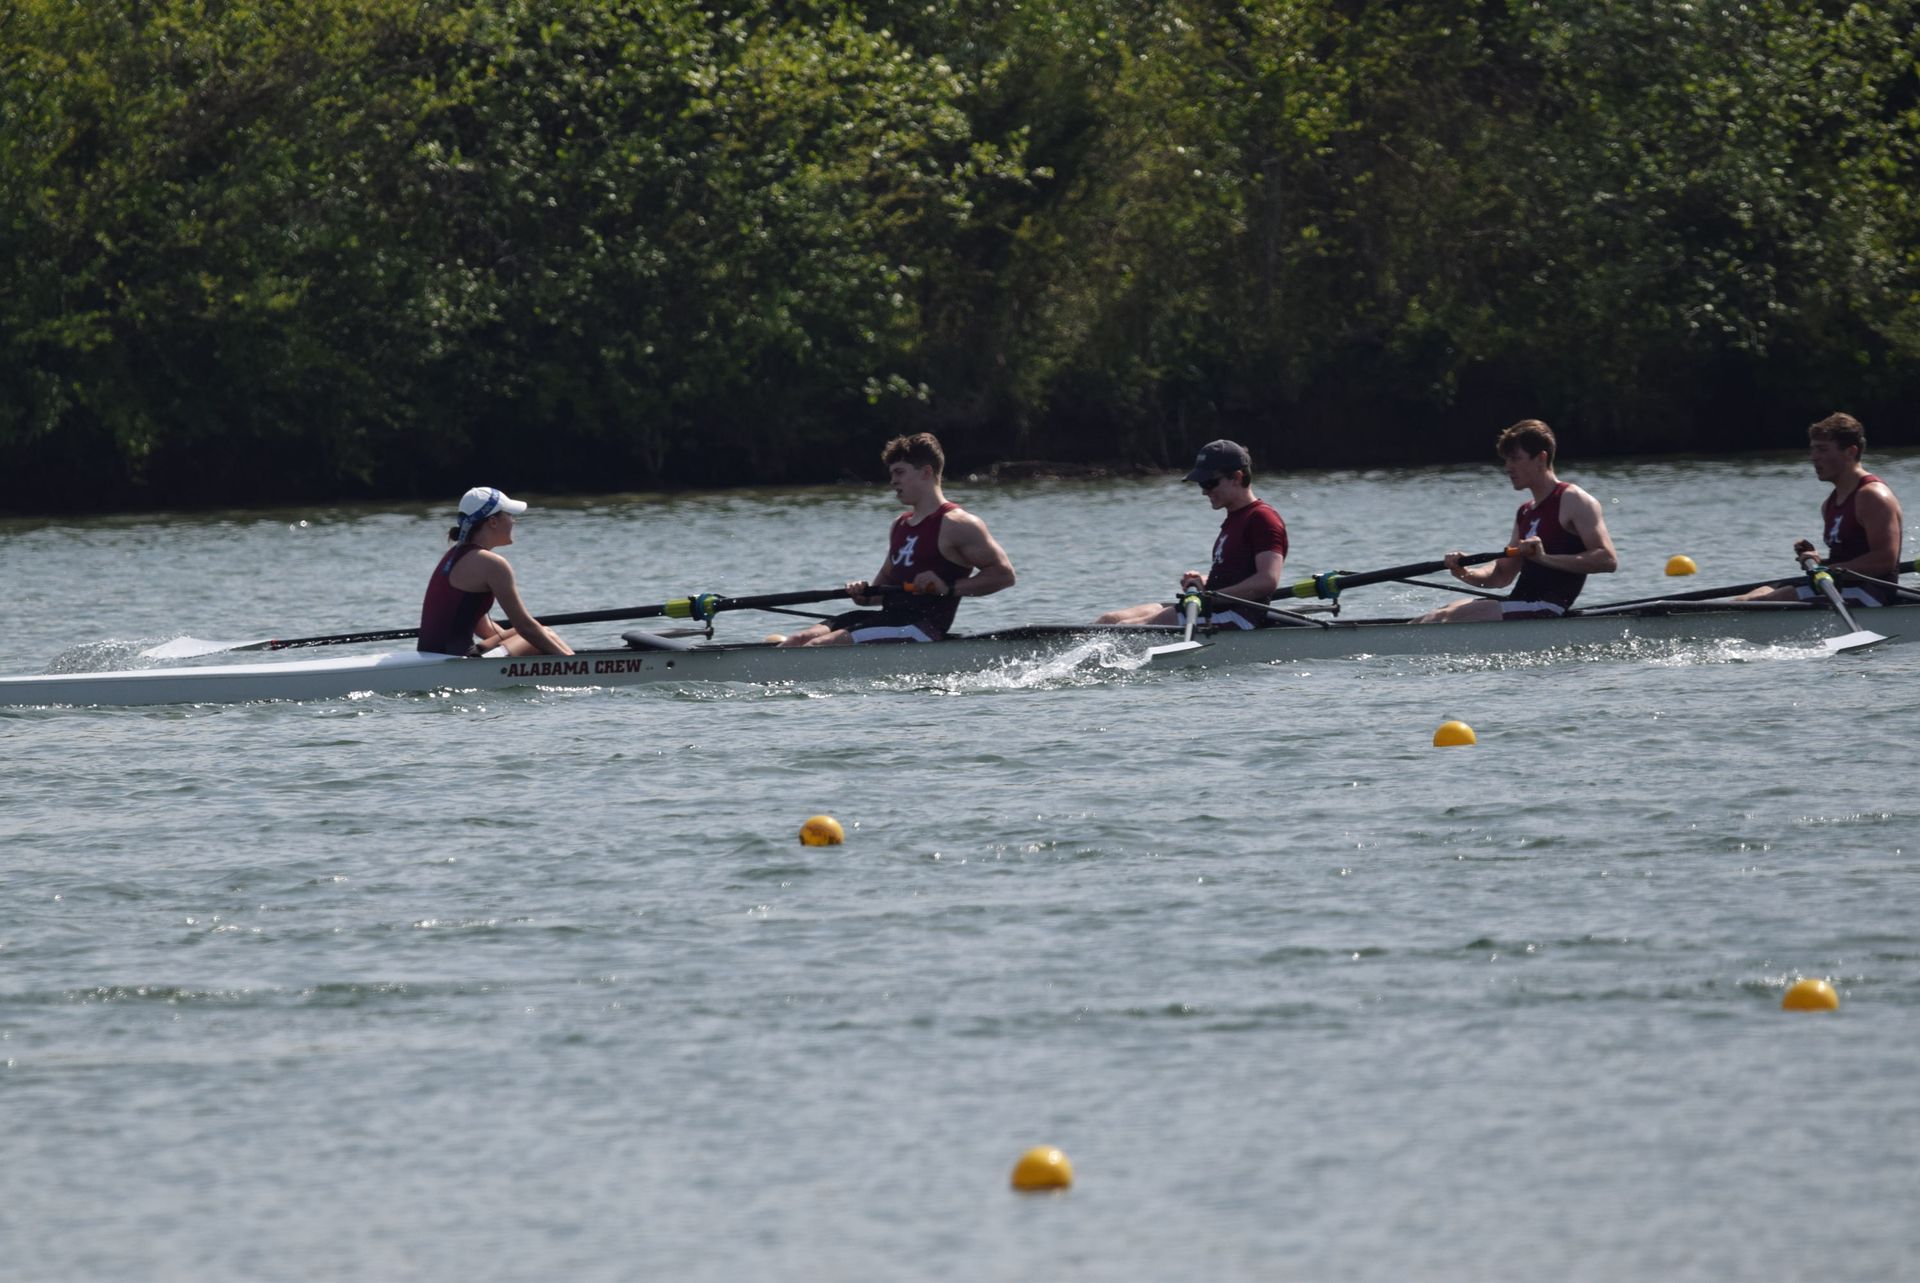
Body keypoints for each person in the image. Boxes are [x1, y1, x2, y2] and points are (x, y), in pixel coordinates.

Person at [778, 434, 1016, 646]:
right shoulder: (899, 525)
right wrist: (862, 593)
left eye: (899, 472)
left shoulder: (958, 524)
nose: (892, 481)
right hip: (889, 619)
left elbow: (1004, 575)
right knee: (799, 640)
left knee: (819, 646)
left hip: (921, 628)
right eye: (891, 473)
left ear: (926, 472)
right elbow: (878, 594)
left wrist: (949, 588)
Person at [1418, 420, 1618, 623]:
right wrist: (1464, 572)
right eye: (1506, 460)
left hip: (1545, 608)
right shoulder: (1524, 512)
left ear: (1541, 458)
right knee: (1436, 614)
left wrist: (1544, 558)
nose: (1508, 467)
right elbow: (1501, 575)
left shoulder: (1573, 499)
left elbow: (1607, 560)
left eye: (1515, 459)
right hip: (1520, 603)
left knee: (1446, 618)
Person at [1095, 439, 1288, 629]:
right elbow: (1235, 575)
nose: (1204, 492)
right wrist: (1203, 582)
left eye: (1210, 483)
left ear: (1237, 477)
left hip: (1238, 617)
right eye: (1201, 484)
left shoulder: (1263, 518)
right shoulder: (1235, 519)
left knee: (1126, 628)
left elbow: (1267, 581)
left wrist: (1210, 598)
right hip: (1214, 608)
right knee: (1110, 620)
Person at [1736, 412, 1903, 606]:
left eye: (1822, 450)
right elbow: (1847, 559)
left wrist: (1831, 569)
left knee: (1774, 599)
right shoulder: (1830, 504)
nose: (1814, 458)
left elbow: (1884, 560)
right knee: (1750, 598)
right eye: (1813, 450)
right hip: (1840, 587)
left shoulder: (1872, 496)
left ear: (1850, 452)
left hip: (1872, 595)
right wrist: (1818, 562)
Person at [418, 487, 574, 656]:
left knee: (543, 633)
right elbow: (525, 627)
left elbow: (483, 627)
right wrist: (572, 663)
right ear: (493, 521)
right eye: (509, 515)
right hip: (456, 660)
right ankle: (580, 670)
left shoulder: (453, 555)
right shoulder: (492, 564)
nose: (514, 521)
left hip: (435, 655)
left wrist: (513, 644)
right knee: (543, 633)